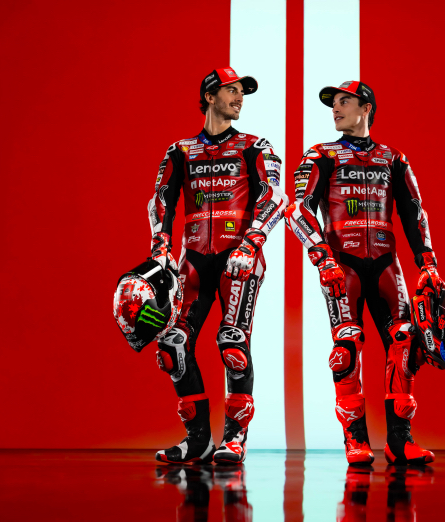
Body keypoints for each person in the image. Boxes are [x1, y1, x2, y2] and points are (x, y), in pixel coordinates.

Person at [285, 81, 444, 465]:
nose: (336, 108)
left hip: (388, 263)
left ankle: (399, 442)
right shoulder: (321, 154)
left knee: (405, 341)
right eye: (333, 103)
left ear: (366, 107)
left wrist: (429, 264)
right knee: (346, 348)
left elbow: (414, 212)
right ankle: (355, 440)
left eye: (344, 101)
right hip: (342, 264)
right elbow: (298, 210)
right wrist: (322, 257)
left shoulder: (394, 158)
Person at [147, 67, 288, 465]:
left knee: (232, 344)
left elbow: (275, 197)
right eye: (231, 91)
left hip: (239, 259)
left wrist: (253, 242)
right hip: (192, 261)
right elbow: (161, 201)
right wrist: (160, 247)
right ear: (209, 96)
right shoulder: (180, 150)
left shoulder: (255, 146)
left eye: (242, 92)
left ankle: (235, 439)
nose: (239, 98)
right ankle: (198, 440)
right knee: (172, 345)